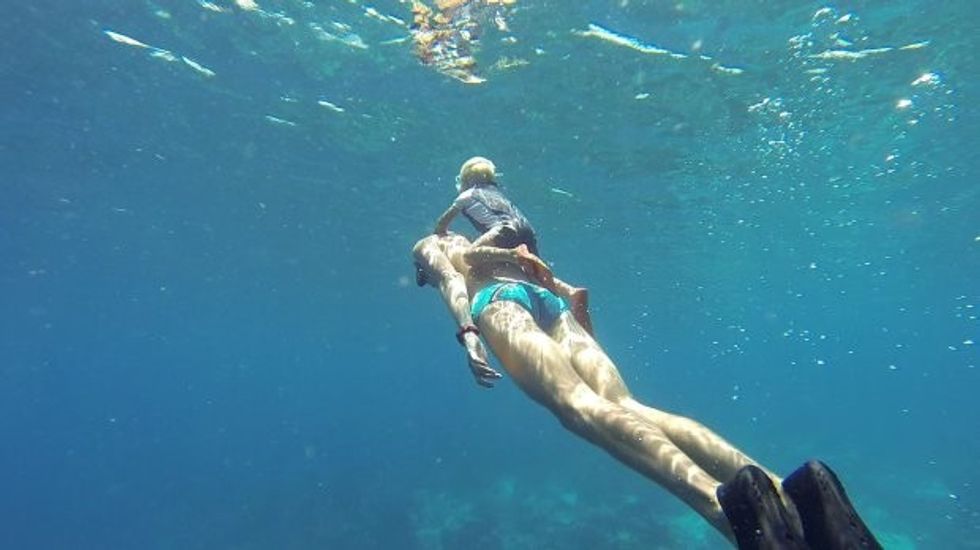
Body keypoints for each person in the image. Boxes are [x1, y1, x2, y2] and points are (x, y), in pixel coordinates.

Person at [412, 232, 881, 549]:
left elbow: (454, 283)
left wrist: (469, 337)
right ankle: (791, 493)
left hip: (498, 303)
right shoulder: (502, 226)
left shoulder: (432, 244)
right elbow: (565, 290)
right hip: (554, 304)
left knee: (577, 407)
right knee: (626, 404)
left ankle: (726, 507)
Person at [432, 156, 593, 334]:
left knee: (470, 256)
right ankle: (571, 292)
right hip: (527, 230)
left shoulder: (466, 195)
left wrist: (438, 233)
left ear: (466, 180)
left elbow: (442, 224)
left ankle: (513, 254)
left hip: (503, 228)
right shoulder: (497, 192)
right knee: (533, 272)